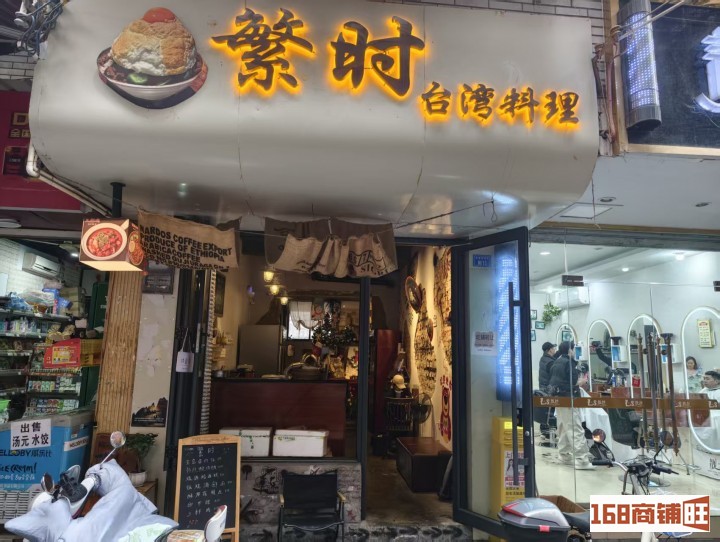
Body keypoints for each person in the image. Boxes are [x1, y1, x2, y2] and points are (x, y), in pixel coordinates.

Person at [548, 341, 595, 470]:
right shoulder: (569, 363)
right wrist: (582, 381)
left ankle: (564, 455)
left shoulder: (557, 362)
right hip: (568, 399)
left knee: (564, 428)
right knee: (575, 428)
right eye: (574, 349)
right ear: (570, 350)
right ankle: (582, 459)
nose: (574, 352)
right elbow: (572, 382)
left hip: (559, 400)